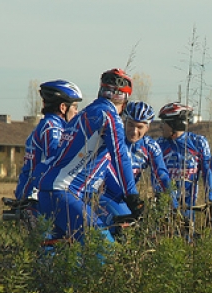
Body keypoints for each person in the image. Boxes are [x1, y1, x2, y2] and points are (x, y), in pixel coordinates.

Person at [31, 68, 143, 243]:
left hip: (51, 192)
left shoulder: (84, 114)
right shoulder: (110, 116)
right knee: (103, 249)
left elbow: (103, 165)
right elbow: (120, 156)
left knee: (65, 257)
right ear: (125, 99)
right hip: (64, 193)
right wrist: (132, 196)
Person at [99, 101, 173, 227]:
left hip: (127, 200)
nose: (134, 131)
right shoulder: (112, 141)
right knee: (119, 228)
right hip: (102, 197)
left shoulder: (150, 146)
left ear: (147, 128)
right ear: (124, 122)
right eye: (130, 125)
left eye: (139, 127)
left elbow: (162, 176)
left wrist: (173, 205)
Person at [14, 80, 82, 201]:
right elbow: (57, 160)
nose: (77, 112)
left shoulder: (50, 124)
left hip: (31, 190)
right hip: (35, 195)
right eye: (75, 107)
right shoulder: (53, 128)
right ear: (63, 107)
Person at [156, 102, 212, 219]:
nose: (160, 126)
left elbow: (207, 172)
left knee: (187, 234)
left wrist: (211, 199)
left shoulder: (198, 143)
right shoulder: (158, 144)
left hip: (189, 205)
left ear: (175, 124)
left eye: (164, 122)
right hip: (164, 204)